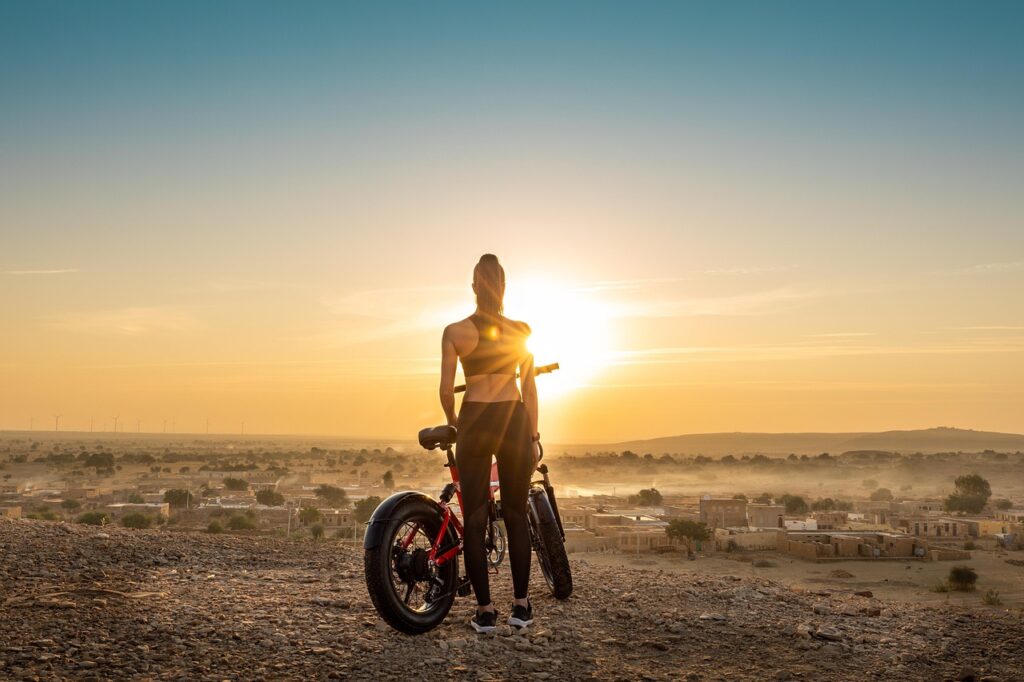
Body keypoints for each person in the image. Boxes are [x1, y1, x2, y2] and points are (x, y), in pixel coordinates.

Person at [439, 254, 541, 633]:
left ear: (473, 286)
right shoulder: (521, 330)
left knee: (476, 517)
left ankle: (484, 612)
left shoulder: (455, 332)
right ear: (504, 287)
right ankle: (521, 607)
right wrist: (533, 436)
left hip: (475, 419)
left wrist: (455, 422)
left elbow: (445, 391)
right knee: (515, 514)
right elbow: (529, 389)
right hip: (513, 420)